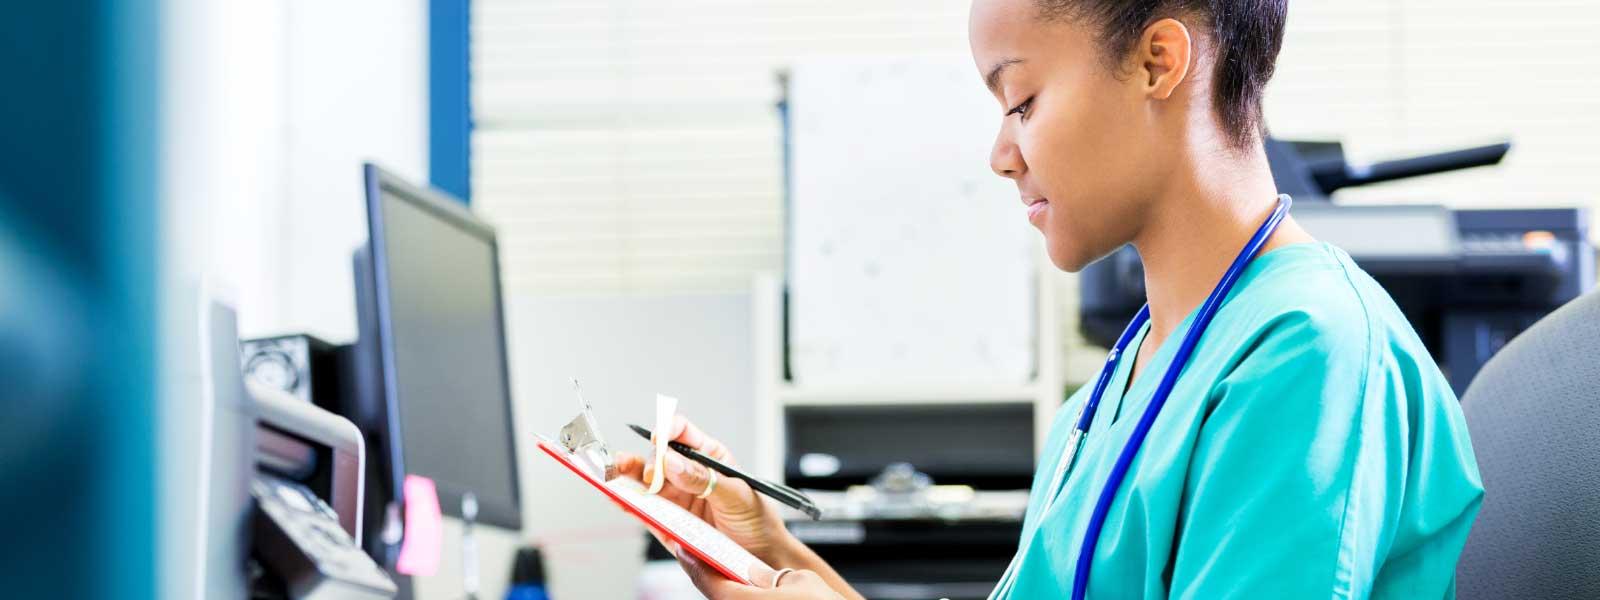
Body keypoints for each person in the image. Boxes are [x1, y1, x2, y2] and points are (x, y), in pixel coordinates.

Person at [615, 0, 1484, 597]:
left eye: (1021, 101)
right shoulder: (1107, 397)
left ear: (1156, 62)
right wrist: (769, 552)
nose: (1001, 154)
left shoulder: (1309, 356)